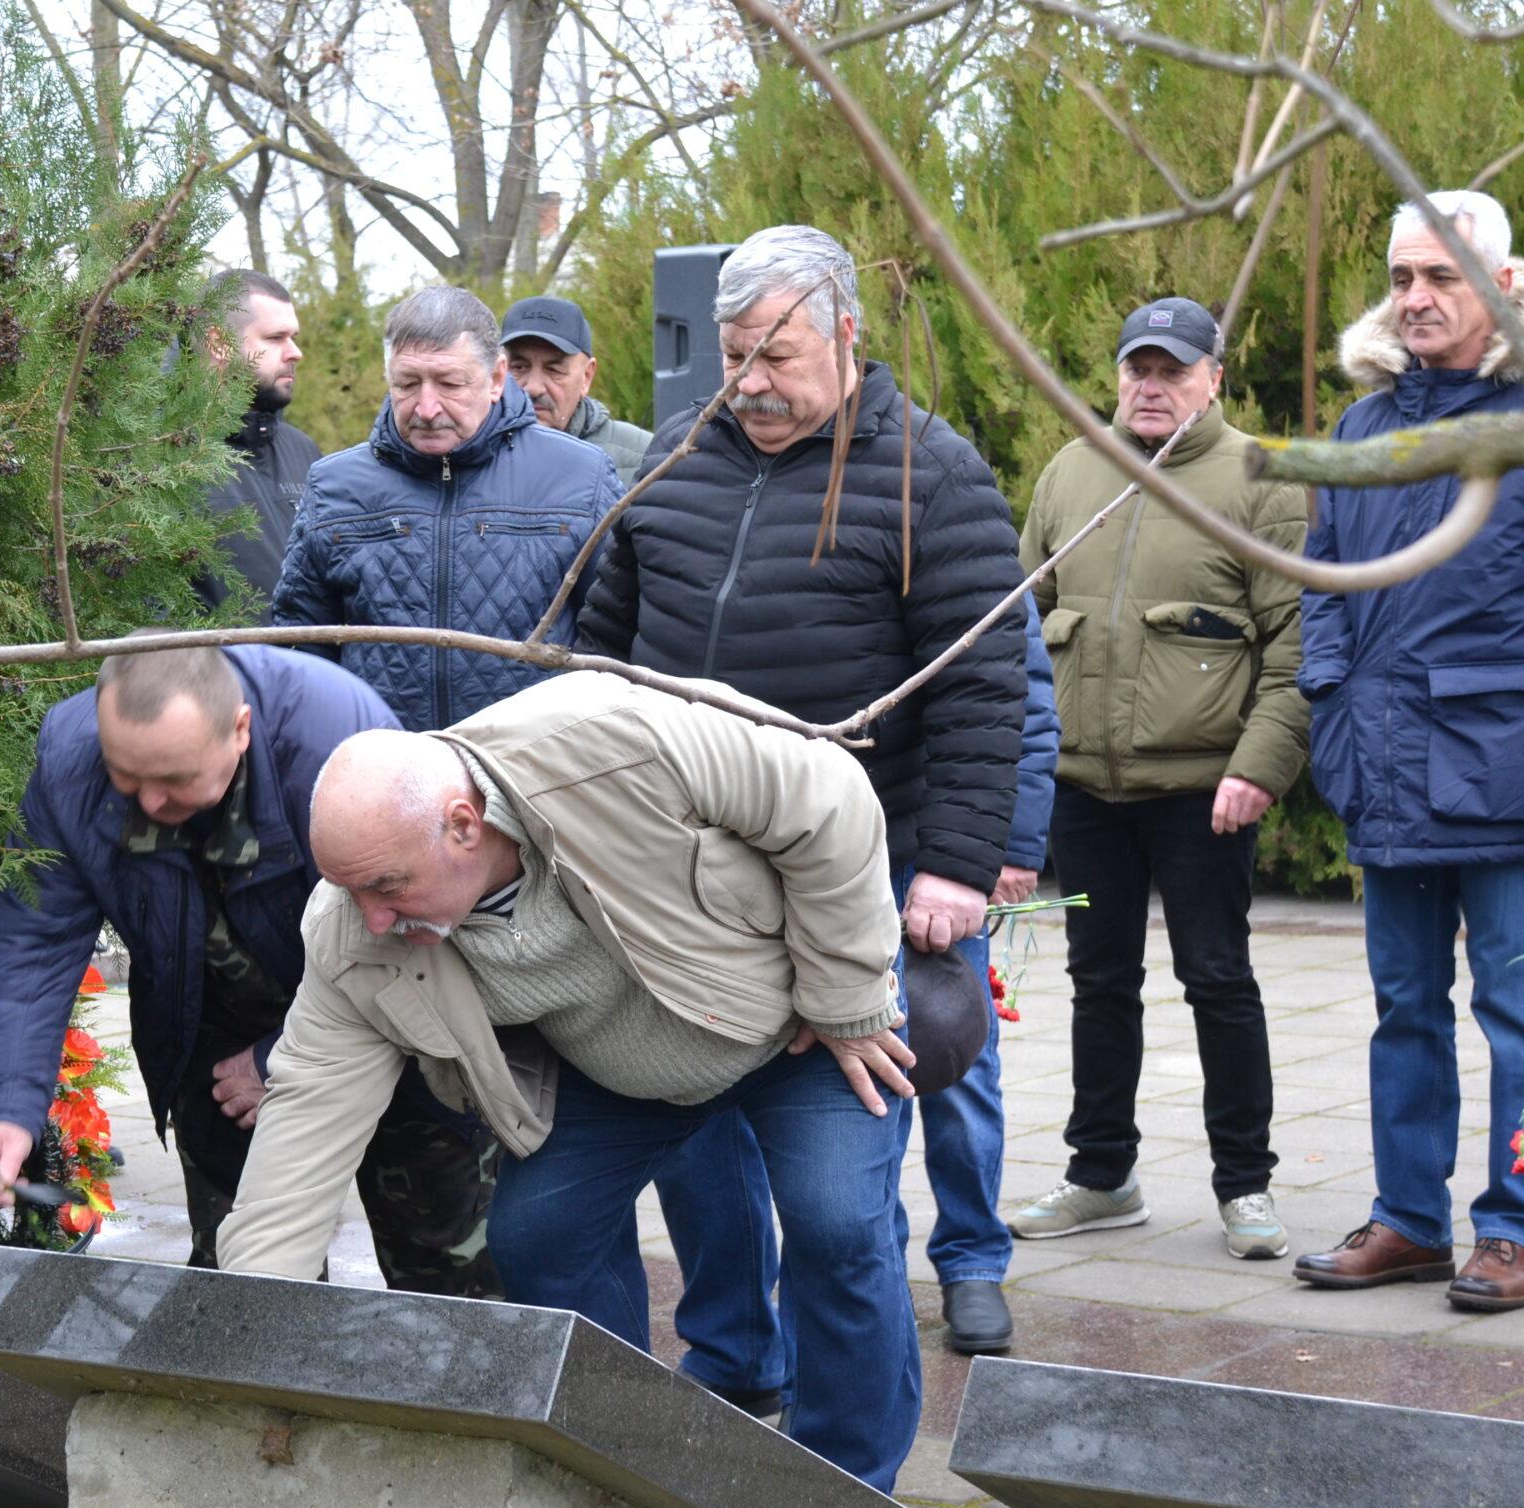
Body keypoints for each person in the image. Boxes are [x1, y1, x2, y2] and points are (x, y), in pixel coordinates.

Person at [214, 673, 923, 1492]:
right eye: (351, 890)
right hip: (615, 1068)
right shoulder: (353, 933)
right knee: (538, 1234)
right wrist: (247, 1345)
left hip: (794, 1019)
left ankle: (849, 1493)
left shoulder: (609, 739)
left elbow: (828, 791)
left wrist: (847, 994)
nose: (374, 918)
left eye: (387, 886)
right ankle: (630, 1473)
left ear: (462, 824)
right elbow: (303, 1121)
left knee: (838, 1222)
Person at [581, 223, 1032, 1360]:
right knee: (696, 1139)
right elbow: (601, 646)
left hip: (870, 872)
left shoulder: (932, 471)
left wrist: (958, 865)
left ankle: (860, 1418)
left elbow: (986, 686)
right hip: (693, 879)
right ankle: (737, 1360)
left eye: (777, 357)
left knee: (843, 1191)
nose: (752, 384)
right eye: (735, 356)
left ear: (847, 333)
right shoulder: (677, 453)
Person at [1292, 191, 1524, 1312]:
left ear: (1499, 285)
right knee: (1404, 1010)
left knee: (1518, 1021)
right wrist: (1332, 711)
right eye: (1401, 278)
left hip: (1510, 775)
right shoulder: (1361, 428)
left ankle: (1510, 1231)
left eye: (1440, 277)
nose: (1414, 298)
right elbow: (1325, 592)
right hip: (1387, 772)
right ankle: (1408, 1220)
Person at [0, 643, 503, 1296]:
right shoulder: (72, 765)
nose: (151, 801)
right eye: (127, 776)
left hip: (391, 1028)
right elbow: (33, 944)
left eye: (175, 778)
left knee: (449, 1286)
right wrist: (9, 1108)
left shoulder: (338, 746)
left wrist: (280, 1058)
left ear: (240, 729)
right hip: (212, 1042)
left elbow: (409, 938)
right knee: (240, 1296)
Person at [1008, 297, 1308, 1262]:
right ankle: (1103, 1175)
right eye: (1138, 366)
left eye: (1173, 370)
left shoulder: (1263, 480)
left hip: (1202, 795)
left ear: (1214, 377)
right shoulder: (1072, 471)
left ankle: (1245, 1186)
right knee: (1099, 981)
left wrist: (1259, 767)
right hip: (1085, 792)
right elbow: (1017, 626)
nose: (1151, 384)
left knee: (1217, 980)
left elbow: (1297, 650)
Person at [271, 285, 622, 731]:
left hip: (529, 772)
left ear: (496, 379)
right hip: (384, 770)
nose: (427, 407)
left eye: (450, 384)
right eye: (407, 384)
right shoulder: (334, 486)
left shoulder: (580, 476)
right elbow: (301, 650)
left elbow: (615, 640)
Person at [198, 269, 316, 603]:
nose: (295, 352)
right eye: (276, 338)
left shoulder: (304, 452)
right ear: (219, 343)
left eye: (293, 337)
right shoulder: (159, 454)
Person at [500, 294, 652, 482]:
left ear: (586, 377)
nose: (533, 388)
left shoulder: (645, 459)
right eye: (519, 368)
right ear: (497, 373)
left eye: (553, 369)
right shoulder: (466, 452)